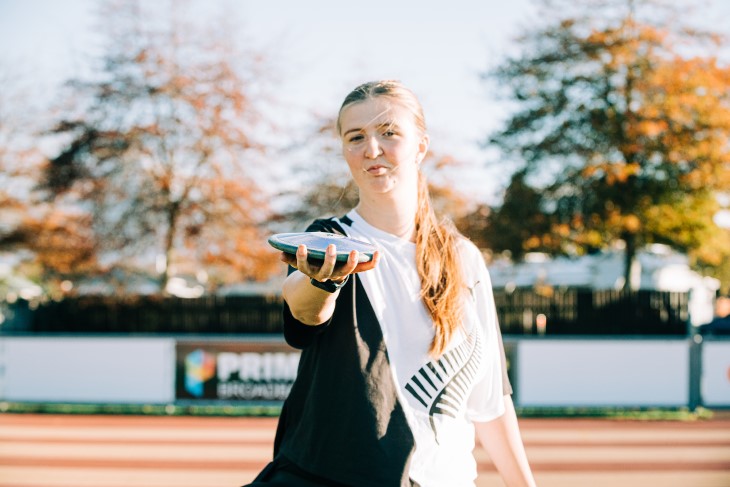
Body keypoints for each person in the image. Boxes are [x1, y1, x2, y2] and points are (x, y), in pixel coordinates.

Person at [244, 80, 536, 487]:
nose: (372, 149)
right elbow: (303, 309)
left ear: (421, 145)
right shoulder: (331, 240)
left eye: (389, 133)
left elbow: (490, 403)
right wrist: (323, 282)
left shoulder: (464, 258)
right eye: (356, 137)